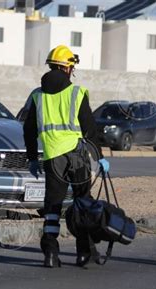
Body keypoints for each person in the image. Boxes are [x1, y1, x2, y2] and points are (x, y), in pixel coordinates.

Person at [23, 45, 110, 268]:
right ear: (67, 67)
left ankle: (50, 253)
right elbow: (89, 129)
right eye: (71, 66)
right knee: (83, 203)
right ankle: (84, 252)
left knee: (52, 205)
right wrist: (99, 156)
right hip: (77, 156)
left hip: (53, 157)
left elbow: (29, 129)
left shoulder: (37, 95)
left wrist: (33, 158)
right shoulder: (76, 93)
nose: (72, 71)